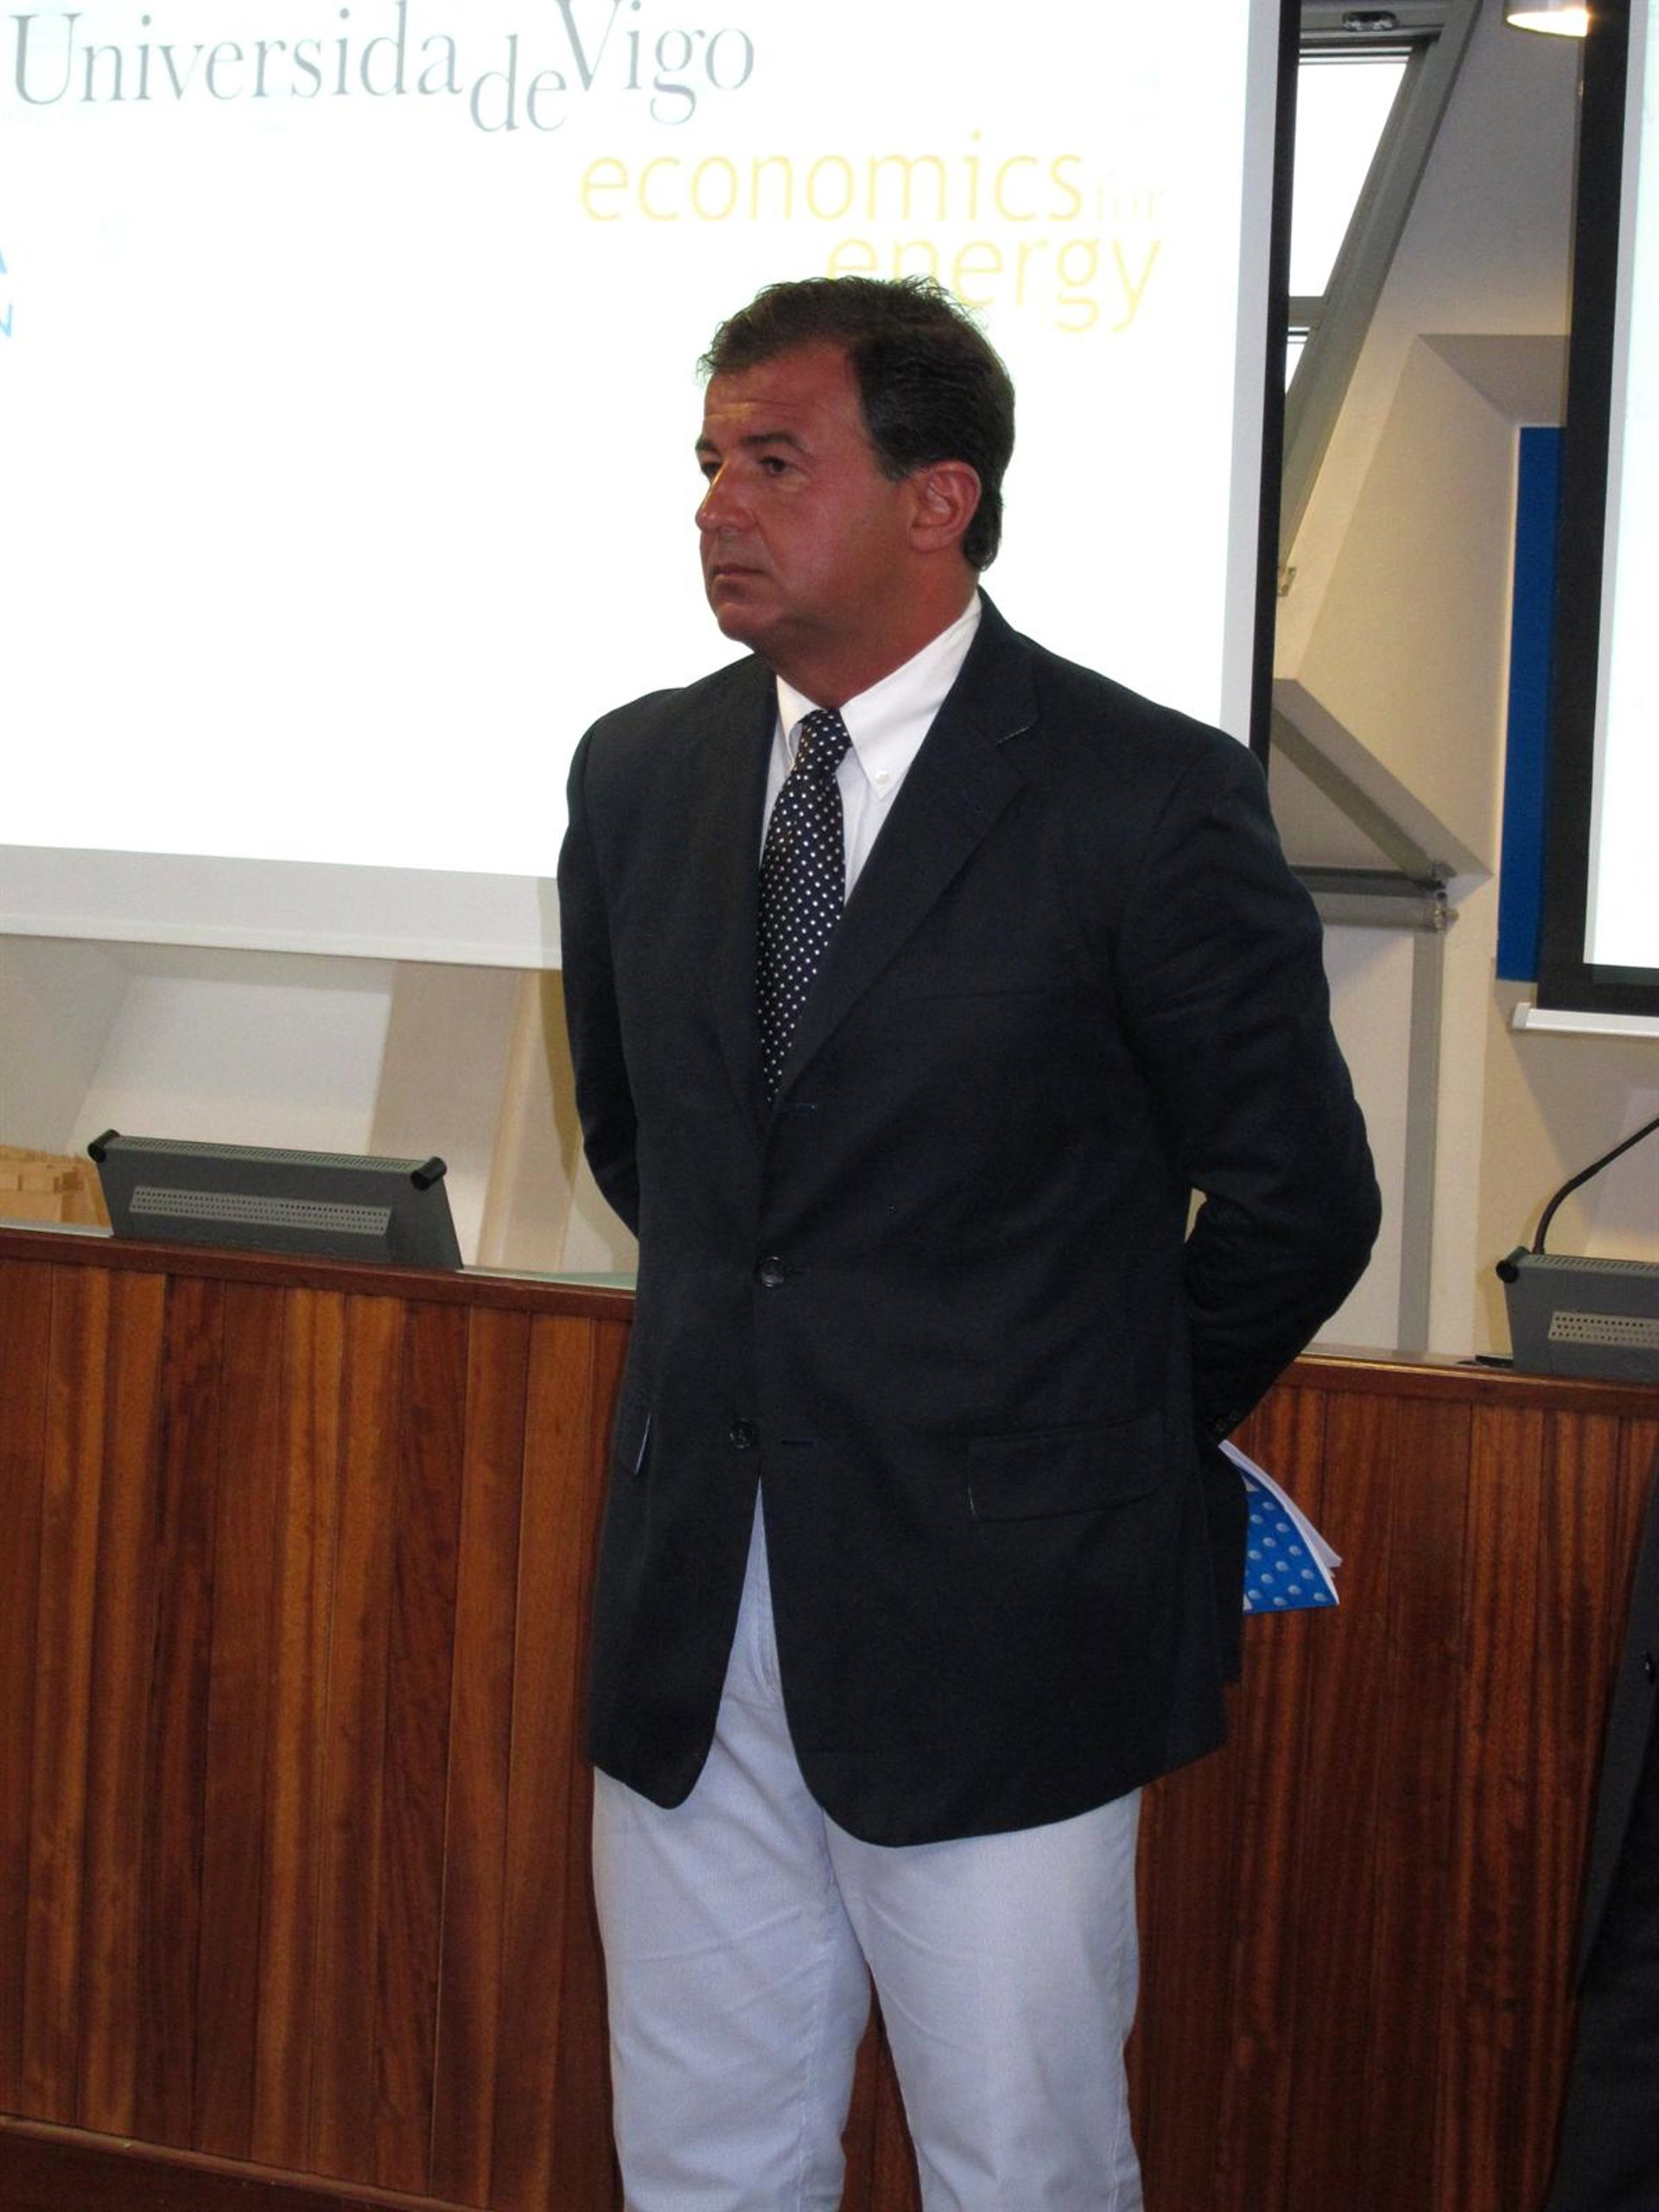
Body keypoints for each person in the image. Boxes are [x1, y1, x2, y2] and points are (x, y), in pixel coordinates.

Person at [556, 274, 1380, 2212]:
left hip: (1003, 1611)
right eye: (708, 463)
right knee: (700, 2151)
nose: (717, 507)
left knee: (1021, 2158)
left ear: (941, 498)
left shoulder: (1142, 793)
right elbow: (651, 1147)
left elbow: (1300, 1200)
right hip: (698, 1601)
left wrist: (1084, 1432)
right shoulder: (639, 771)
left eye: (775, 462)